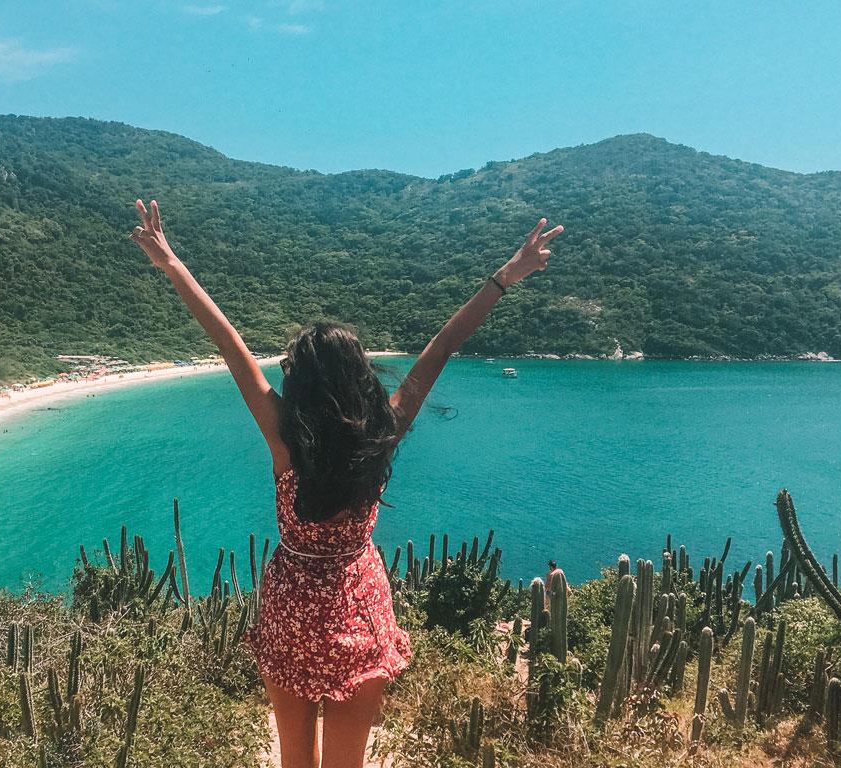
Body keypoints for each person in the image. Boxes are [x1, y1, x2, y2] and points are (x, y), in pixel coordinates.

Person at [130, 199, 561, 768]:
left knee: (295, 761)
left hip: (290, 605)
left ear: (301, 382)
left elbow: (228, 344)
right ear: (358, 376)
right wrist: (505, 277)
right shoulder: (383, 428)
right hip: (358, 602)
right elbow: (441, 347)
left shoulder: (284, 436)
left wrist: (172, 264)